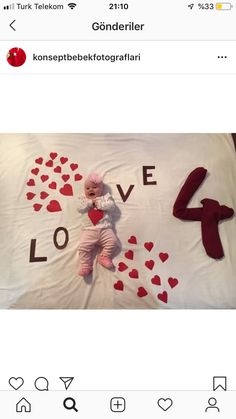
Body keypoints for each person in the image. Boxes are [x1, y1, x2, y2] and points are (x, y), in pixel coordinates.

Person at [77, 173, 118, 276]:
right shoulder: (83, 200)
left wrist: (100, 204)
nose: (91, 190)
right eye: (87, 188)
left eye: (94, 187)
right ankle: (86, 266)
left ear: (101, 189)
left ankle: (104, 256)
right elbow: (79, 208)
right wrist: (90, 203)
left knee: (113, 241)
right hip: (89, 230)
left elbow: (112, 207)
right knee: (83, 247)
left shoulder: (105, 198)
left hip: (105, 229)